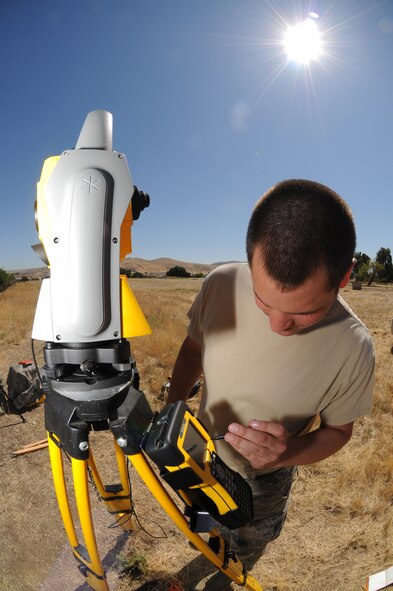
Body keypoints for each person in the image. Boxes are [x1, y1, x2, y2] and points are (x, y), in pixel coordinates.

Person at [167, 179, 375, 591]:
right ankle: (204, 554)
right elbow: (192, 351)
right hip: (201, 453)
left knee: (246, 544)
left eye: (305, 312)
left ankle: (223, 581)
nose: (279, 326)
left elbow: (339, 430)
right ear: (248, 261)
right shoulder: (220, 283)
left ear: (345, 276)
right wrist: (174, 411)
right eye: (264, 303)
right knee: (203, 520)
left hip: (265, 481)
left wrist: (288, 453)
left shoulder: (355, 347)